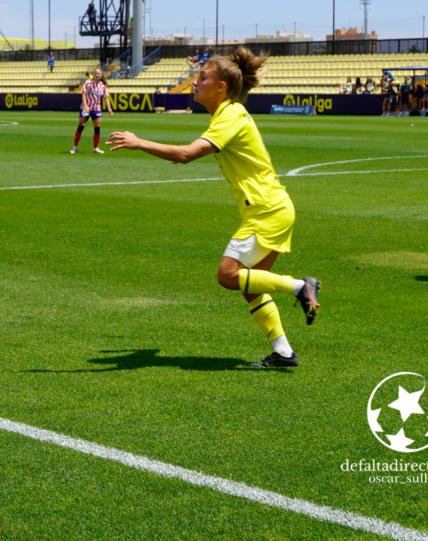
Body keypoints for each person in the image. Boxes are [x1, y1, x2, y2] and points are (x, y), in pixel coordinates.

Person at [106, 48, 321, 367]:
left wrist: (139, 142)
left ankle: (302, 287)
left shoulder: (231, 114)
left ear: (220, 86)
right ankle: (284, 353)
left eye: (203, 76)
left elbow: (186, 154)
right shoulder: (227, 114)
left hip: (266, 210)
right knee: (251, 285)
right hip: (271, 208)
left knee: (228, 274)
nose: (196, 81)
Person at [70, 67, 113, 154]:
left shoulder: (102, 86)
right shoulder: (88, 83)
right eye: (96, 73)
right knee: (80, 127)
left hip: (96, 109)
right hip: (86, 108)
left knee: (97, 129)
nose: (97, 75)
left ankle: (95, 148)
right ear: (93, 74)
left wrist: (109, 109)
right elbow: (84, 94)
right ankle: (74, 147)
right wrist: (85, 106)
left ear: (101, 75)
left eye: (99, 74)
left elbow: (106, 98)